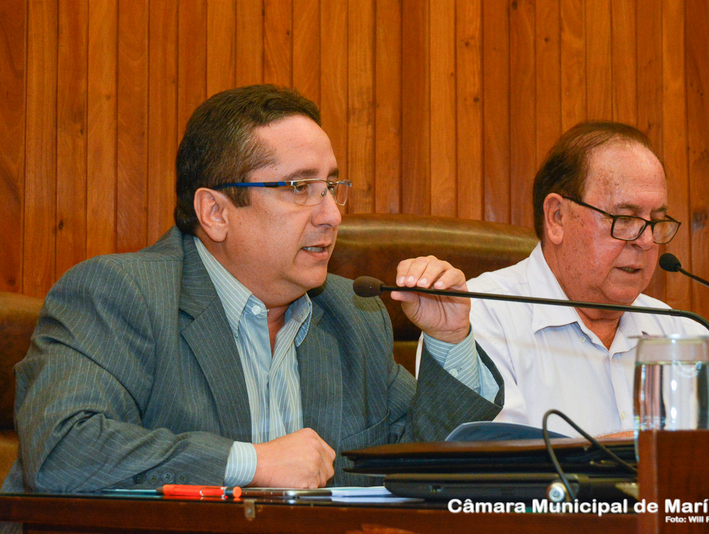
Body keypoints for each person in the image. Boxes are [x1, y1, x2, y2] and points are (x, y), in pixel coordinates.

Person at [2, 85, 503, 494]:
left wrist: (449, 339)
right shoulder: (121, 295)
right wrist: (251, 463)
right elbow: (61, 448)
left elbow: (424, 472)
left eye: (331, 186)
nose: (331, 214)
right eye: (299, 188)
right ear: (215, 213)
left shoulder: (352, 314)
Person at [467, 120, 709, 437]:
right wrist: (660, 446)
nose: (647, 240)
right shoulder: (481, 318)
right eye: (624, 218)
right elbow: (497, 459)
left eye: (656, 220)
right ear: (557, 217)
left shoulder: (680, 331)